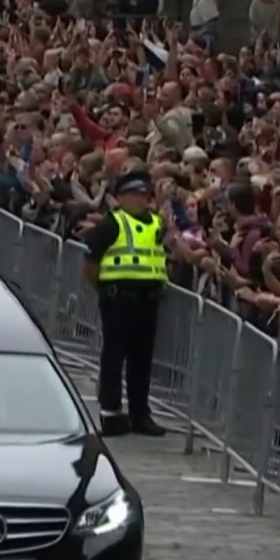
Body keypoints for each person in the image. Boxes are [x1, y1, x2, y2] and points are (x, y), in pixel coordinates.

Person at [82, 170, 167, 437]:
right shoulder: (112, 223)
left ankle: (140, 414)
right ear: (121, 197)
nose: (142, 199)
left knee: (141, 360)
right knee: (114, 357)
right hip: (119, 299)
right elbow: (90, 262)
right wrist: (105, 289)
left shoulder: (156, 223)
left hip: (148, 301)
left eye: (145, 194)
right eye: (135, 194)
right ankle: (111, 414)